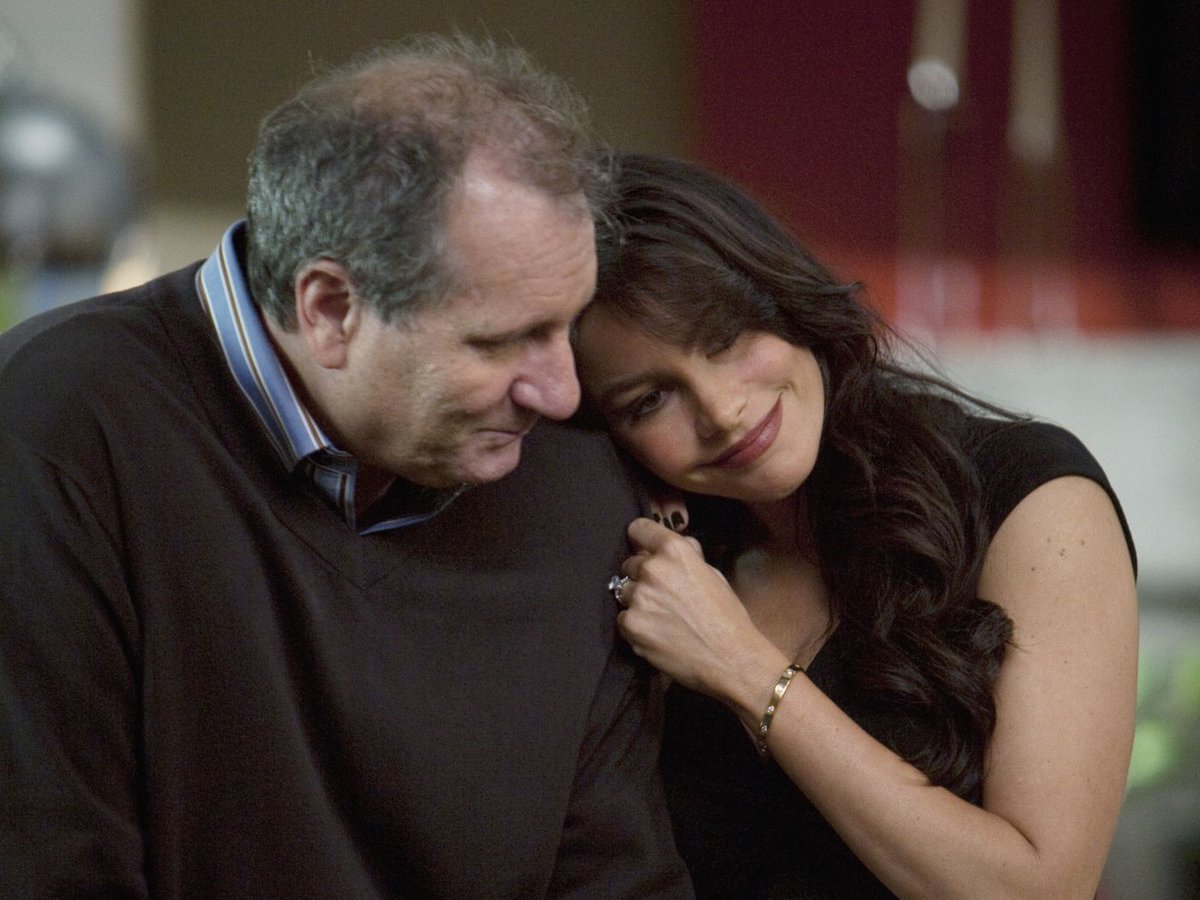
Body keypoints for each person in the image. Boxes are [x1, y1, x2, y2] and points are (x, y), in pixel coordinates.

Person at [0, 40, 693, 898]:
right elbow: (52, 865)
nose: (560, 392)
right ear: (329, 309)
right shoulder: (53, 433)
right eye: (501, 341)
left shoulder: (570, 473)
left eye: (567, 324)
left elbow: (617, 880)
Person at [572, 152, 1139, 898]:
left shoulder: (1030, 497)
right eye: (650, 401)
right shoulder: (656, 563)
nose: (721, 410)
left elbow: (1038, 890)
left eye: (725, 337)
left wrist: (744, 667)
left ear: (782, 297)